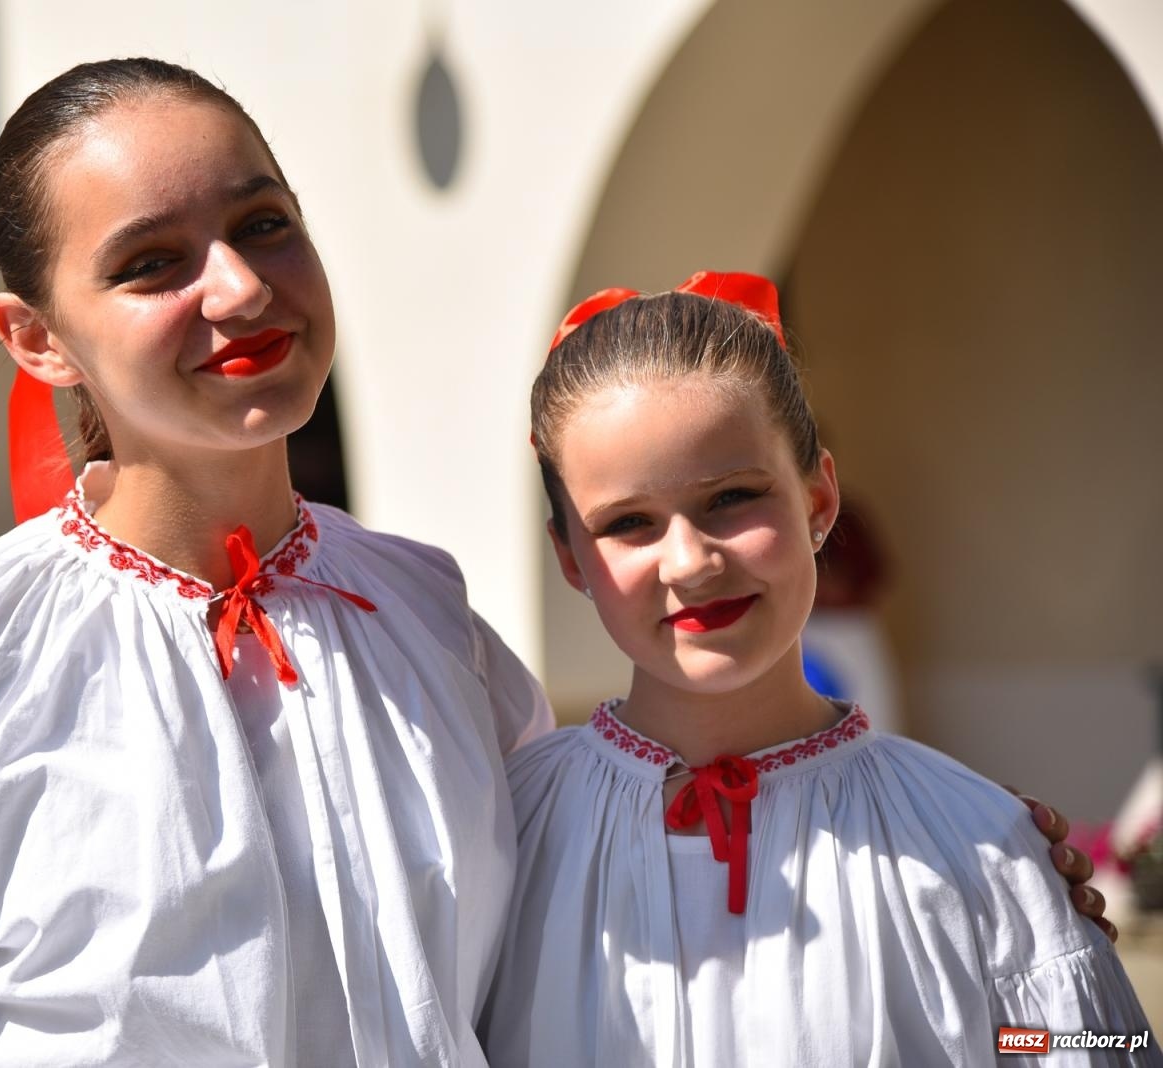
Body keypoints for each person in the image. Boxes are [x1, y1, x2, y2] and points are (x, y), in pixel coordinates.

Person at [0, 65, 1107, 1068]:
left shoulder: (424, 615)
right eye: (151, 263)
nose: (239, 288)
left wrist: (971, 863)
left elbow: (607, 882)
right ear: (37, 340)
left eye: (266, 222)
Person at [480, 273, 1154, 1065]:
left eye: (732, 497)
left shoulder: (977, 842)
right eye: (629, 523)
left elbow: (1064, 1044)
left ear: (819, 501)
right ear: (571, 558)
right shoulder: (502, 836)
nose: (692, 562)